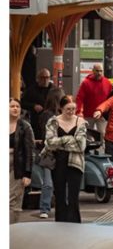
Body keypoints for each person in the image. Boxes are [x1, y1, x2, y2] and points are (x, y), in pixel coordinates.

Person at [43, 95, 87, 222]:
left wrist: (60, 143)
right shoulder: (53, 121)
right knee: (60, 195)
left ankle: (75, 224)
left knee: (73, 197)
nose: (71, 112)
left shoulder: (80, 122)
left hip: (75, 162)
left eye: (73, 109)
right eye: (68, 109)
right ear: (61, 108)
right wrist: (70, 140)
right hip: (57, 162)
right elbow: (50, 142)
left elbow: (80, 145)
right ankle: (60, 222)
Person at [37, 88, 65, 219]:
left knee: (48, 182)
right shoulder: (54, 116)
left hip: (49, 151)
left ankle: (45, 208)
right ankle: (49, 207)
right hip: (55, 151)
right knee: (55, 182)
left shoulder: (45, 114)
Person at [10, 98, 35, 224]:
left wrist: (27, 173)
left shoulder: (25, 126)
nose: (15, 109)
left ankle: (11, 228)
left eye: (17, 106)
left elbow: (29, 152)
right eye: (12, 106)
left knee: (13, 199)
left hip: (17, 165)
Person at [75, 63, 112, 143]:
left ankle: (102, 150)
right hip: (88, 114)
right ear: (93, 71)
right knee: (87, 133)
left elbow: (111, 98)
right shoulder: (86, 83)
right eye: (97, 71)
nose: (99, 73)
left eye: (101, 71)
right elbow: (79, 98)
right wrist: (78, 111)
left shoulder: (107, 83)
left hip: (102, 114)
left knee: (103, 133)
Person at [21, 68, 52, 139]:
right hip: (36, 120)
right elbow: (22, 103)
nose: (45, 80)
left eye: (47, 77)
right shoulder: (31, 90)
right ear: (38, 78)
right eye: (43, 78)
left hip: (50, 120)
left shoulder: (53, 89)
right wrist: (33, 106)